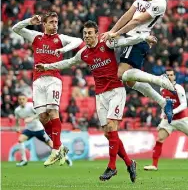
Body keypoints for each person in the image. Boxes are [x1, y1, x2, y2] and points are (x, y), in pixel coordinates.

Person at [35, 20, 156, 182]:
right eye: (85, 34)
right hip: (100, 95)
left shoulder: (107, 43)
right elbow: (68, 63)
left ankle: (112, 167)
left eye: (90, 33)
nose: (87, 36)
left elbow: (126, 40)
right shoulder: (84, 53)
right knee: (108, 133)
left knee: (112, 127)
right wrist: (47, 67)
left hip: (116, 91)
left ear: (96, 34)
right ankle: (129, 162)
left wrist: (144, 38)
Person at [12, 12, 83, 166]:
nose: (55, 25)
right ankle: (61, 147)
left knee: (52, 111)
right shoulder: (36, 36)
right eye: (51, 22)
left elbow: (78, 40)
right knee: (43, 117)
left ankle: (55, 149)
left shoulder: (60, 38)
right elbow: (15, 29)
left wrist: (63, 50)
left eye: (56, 22)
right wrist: (29, 21)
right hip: (37, 81)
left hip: (53, 79)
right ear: (44, 23)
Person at [101, 0, 174, 119]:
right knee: (130, 81)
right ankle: (163, 102)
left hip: (138, 38)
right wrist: (112, 30)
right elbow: (129, 14)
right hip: (132, 36)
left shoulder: (159, 3)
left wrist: (116, 33)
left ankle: (160, 80)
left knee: (121, 74)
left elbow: (136, 21)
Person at [144, 69, 188, 171]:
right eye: (167, 75)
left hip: (181, 119)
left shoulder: (178, 88)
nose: (170, 77)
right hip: (168, 120)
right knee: (159, 139)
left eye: (171, 75)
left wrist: (173, 112)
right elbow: (164, 103)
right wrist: (164, 113)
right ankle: (154, 165)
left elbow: (184, 104)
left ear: (175, 77)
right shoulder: (162, 88)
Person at [15, 93, 73, 167]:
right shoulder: (17, 110)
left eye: (23, 99)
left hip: (39, 129)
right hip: (29, 129)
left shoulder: (31, 106)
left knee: (51, 145)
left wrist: (31, 118)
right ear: (18, 100)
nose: (21, 101)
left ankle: (65, 157)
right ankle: (24, 160)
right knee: (20, 140)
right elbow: (17, 120)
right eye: (20, 99)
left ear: (26, 99)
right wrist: (17, 127)